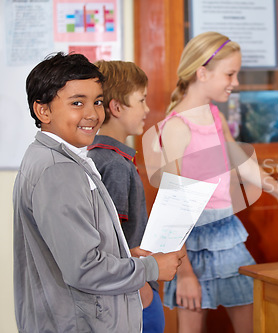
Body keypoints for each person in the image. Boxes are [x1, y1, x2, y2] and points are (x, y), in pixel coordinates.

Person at [13, 52, 184, 333]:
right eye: (77, 103)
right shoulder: (58, 170)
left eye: (97, 102)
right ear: (43, 110)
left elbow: (73, 251)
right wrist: (150, 269)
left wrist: (127, 257)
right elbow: (83, 268)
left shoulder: (56, 158)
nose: (92, 114)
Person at [156, 31, 278, 333]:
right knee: (191, 321)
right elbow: (173, 206)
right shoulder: (176, 127)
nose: (235, 83)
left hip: (226, 235)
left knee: (250, 321)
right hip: (190, 244)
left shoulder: (214, 116)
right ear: (202, 73)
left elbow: (243, 164)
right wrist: (185, 274)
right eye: (230, 74)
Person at [87, 60, 165, 333]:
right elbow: (112, 240)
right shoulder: (115, 165)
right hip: (133, 292)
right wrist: (141, 285)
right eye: (141, 100)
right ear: (117, 107)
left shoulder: (97, 157)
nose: (147, 109)